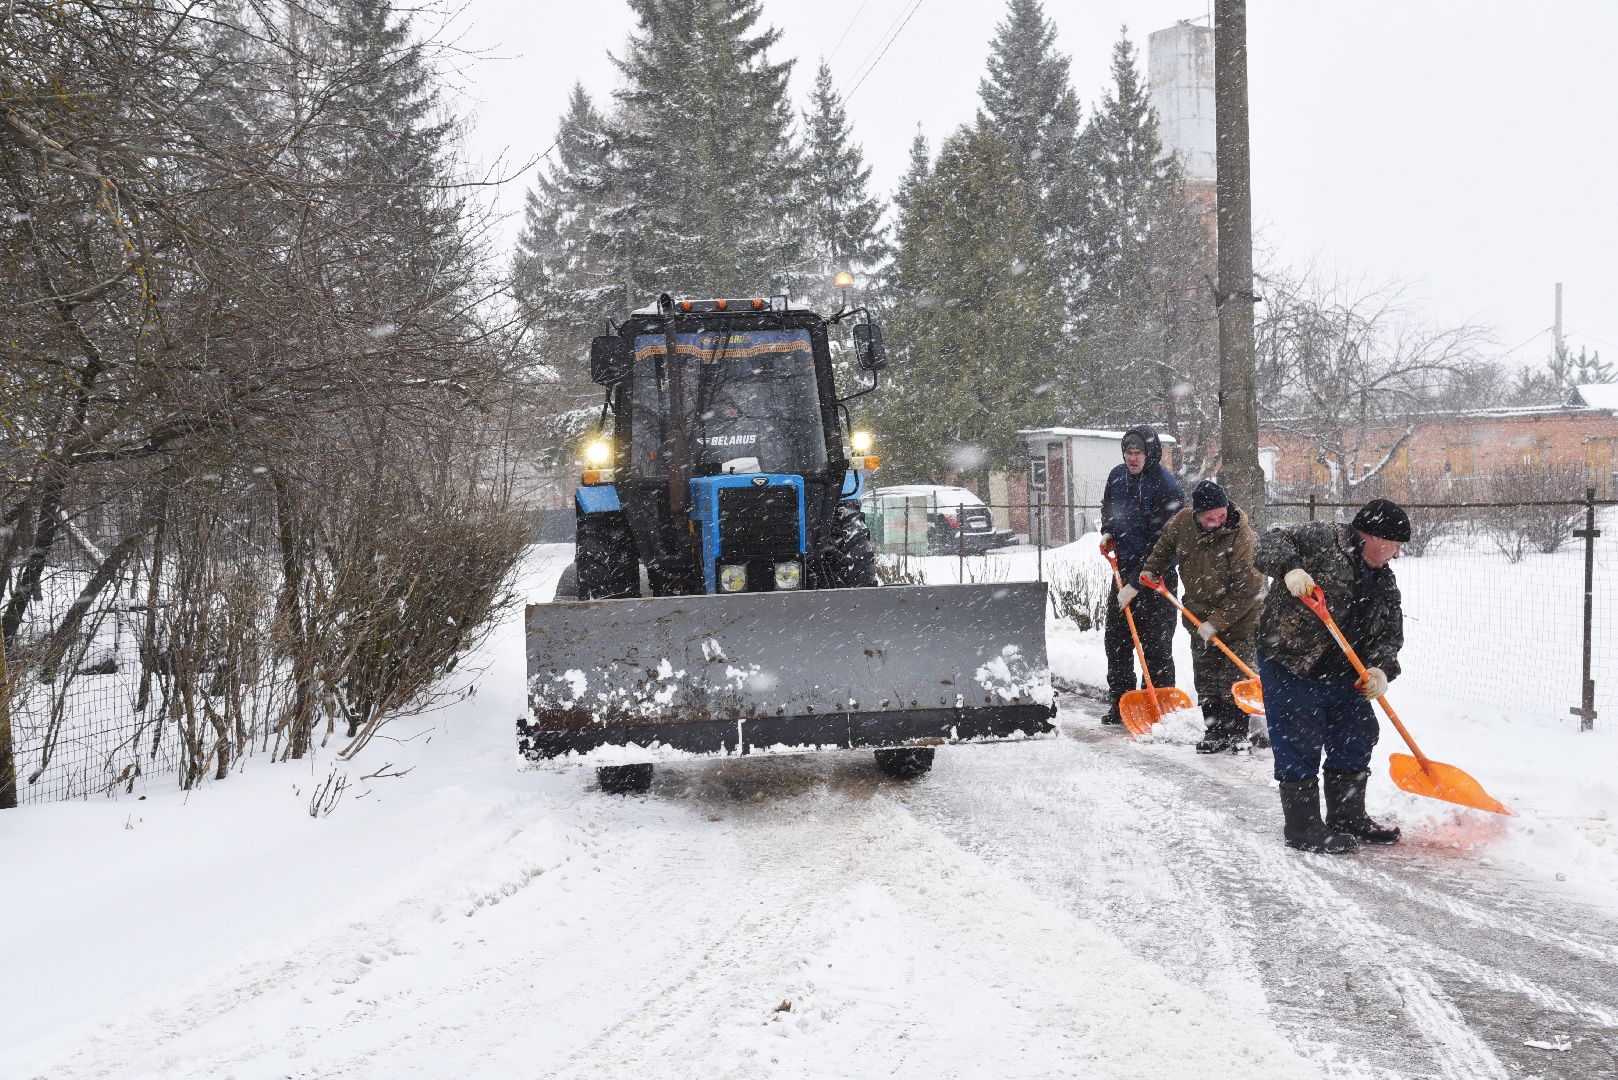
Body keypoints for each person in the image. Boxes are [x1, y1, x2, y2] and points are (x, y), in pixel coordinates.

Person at [1253, 498, 1410, 853]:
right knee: (1299, 737)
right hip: (1291, 661)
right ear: (1372, 536)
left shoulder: (1383, 581)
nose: (1397, 554)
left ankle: (1346, 815)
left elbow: (1389, 634)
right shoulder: (1324, 538)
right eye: (1395, 545)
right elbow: (1269, 543)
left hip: (1344, 672)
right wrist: (1290, 569)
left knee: (1358, 732)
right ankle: (1303, 826)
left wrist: (1381, 669)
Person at [1139, 479, 1265, 754]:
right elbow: (1164, 548)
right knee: (1207, 678)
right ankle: (1214, 731)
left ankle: (1236, 732)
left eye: (1221, 516)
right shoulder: (1183, 523)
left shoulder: (1242, 537)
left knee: (1234, 679)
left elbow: (1248, 590)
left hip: (1239, 620)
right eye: (1210, 518)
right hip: (1198, 615)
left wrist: (1217, 622)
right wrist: (1151, 568)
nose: (1217, 522)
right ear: (1197, 515)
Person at [1099, 426, 1185, 726]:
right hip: (1122, 575)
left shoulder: (1167, 487)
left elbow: (1164, 545)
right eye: (1127, 452)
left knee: (1156, 647)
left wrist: (1138, 582)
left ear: (1150, 454)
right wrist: (1108, 531)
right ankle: (1122, 702)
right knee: (1117, 641)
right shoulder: (1117, 477)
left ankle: (1159, 707)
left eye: (1137, 453)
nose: (1131, 459)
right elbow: (1108, 508)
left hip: (1155, 579)